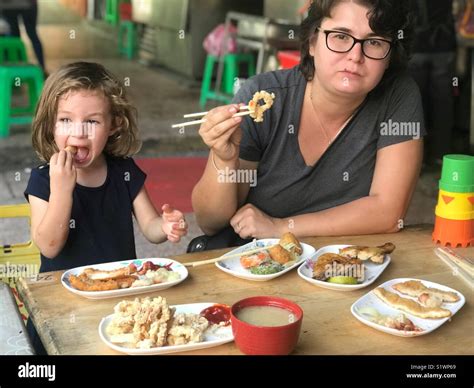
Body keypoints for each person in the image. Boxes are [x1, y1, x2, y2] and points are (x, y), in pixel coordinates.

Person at [191, 0, 425, 249]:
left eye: (375, 42)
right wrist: (224, 160)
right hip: (256, 264)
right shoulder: (264, 97)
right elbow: (211, 223)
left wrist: (280, 227)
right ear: (312, 42)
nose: (355, 56)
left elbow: (388, 213)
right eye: (341, 37)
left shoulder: (398, 96)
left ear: (390, 57)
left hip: (343, 270)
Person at [24, 62, 188, 353]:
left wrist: (165, 226)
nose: (79, 132)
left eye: (92, 121)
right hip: (60, 304)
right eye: (65, 120)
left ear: (114, 125)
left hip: (118, 298)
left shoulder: (123, 172)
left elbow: (150, 227)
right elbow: (49, 245)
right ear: (51, 124)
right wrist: (62, 189)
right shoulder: (43, 178)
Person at [409, 0, 456, 164]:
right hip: (444, 45)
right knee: (443, 102)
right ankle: (441, 154)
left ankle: (415, 158)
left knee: (414, 105)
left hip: (415, 47)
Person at [2, 0, 45, 71]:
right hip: (25, 4)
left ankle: (17, 68)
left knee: (14, 38)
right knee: (31, 35)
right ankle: (41, 69)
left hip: (10, 5)